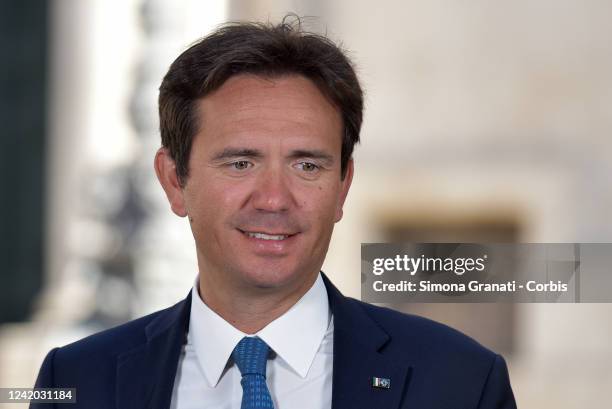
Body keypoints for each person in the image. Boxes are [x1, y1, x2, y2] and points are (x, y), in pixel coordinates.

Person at [32, 18, 517, 409]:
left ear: (343, 186)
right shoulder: (75, 384)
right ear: (175, 181)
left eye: (307, 165)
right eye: (241, 163)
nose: (274, 199)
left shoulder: (461, 383)